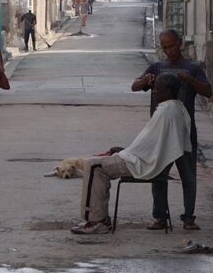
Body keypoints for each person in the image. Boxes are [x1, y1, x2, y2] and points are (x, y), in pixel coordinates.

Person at [72, 74, 191, 234]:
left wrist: (125, 153)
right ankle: (100, 218)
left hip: (144, 164)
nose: (154, 92)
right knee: (98, 163)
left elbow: (149, 148)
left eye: (157, 89)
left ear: (168, 92)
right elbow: (150, 144)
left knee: (92, 165)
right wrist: (124, 150)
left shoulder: (166, 112)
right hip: (145, 159)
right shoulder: (177, 108)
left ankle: (96, 221)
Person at [131, 29, 212, 230]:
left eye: (172, 46)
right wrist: (146, 81)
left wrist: (190, 81)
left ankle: (188, 217)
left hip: (184, 130)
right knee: (158, 173)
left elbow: (209, 91)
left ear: (180, 43)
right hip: (160, 132)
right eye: (164, 47)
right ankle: (160, 216)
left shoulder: (192, 68)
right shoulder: (157, 67)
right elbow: (134, 86)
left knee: (188, 175)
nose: (168, 51)